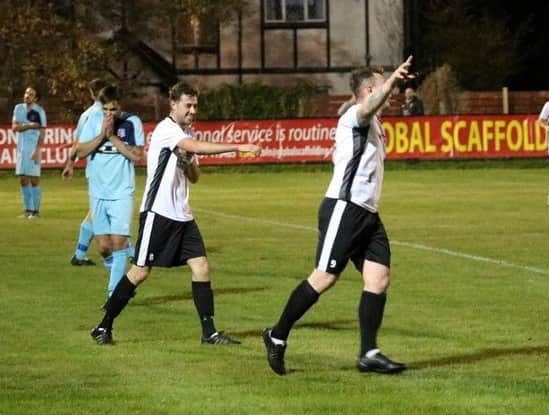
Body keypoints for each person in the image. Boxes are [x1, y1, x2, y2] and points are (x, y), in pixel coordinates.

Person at [262, 57, 415, 376]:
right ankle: (277, 335)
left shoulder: (373, 122)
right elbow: (367, 106)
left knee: (379, 278)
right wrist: (393, 82)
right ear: (371, 90)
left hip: (368, 214)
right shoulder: (353, 116)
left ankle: (368, 352)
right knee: (324, 277)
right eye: (381, 83)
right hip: (344, 208)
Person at [89, 82, 261, 346]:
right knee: (140, 271)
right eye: (187, 105)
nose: (193, 110)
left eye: (195, 105)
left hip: (182, 214)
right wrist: (238, 147)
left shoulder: (186, 132)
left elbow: (195, 177)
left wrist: (188, 159)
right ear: (174, 105)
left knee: (201, 267)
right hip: (158, 212)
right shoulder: (167, 130)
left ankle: (209, 333)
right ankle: (103, 327)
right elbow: (196, 146)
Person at [74, 85, 144, 295]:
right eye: (105, 110)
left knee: (119, 242)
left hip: (122, 191)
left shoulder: (132, 122)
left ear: (119, 107)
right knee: (104, 246)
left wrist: (113, 138)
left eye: (112, 110)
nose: (108, 114)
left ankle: (115, 292)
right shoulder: (92, 121)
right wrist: (101, 138)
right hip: (97, 191)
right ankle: (120, 280)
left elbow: (137, 155)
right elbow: (80, 151)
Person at [63, 78, 107, 266]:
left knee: (98, 211)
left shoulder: (85, 115)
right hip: (105, 170)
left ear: (91, 93)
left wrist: (70, 164)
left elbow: (76, 143)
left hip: (94, 169)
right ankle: (129, 251)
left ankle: (80, 255)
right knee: (105, 210)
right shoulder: (106, 113)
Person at [12, 86, 46, 218]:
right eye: (26, 93)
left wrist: (37, 150)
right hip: (21, 149)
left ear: (36, 98)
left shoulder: (40, 112)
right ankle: (28, 210)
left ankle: (36, 212)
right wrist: (30, 125)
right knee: (22, 179)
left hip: (33, 149)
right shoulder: (18, 108)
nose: (27, 96)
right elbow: (15, 128)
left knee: (34, 180)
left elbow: (42, 132)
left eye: (31, 94)